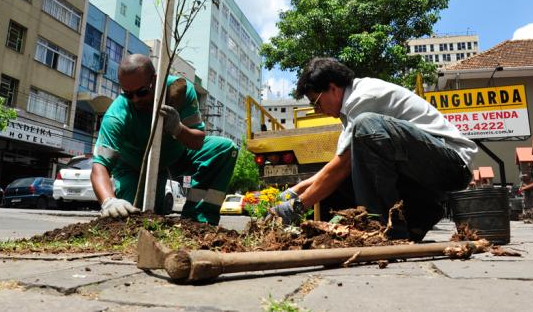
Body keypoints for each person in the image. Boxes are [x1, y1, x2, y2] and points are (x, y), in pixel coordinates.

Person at [272, 57, 476, 241]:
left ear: (333, 88)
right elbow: (335, 168)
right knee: (340, 179)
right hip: (425, 171)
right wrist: (293, 191)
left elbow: (340, 167)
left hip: (452, 164)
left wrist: (296, 207)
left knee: (365, 126)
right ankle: (421, 213)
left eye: (316, 102)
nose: (317, 110)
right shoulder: (348, 111)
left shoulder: (362, 97)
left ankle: (384, 227)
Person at [91, 54, 237, 225]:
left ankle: (198, 220)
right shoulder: (117, 115)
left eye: (142, 92)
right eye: (128, 94)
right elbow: (99, 166)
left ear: (156, 79)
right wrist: (109, 201)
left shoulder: (181, 90)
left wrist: (178, 129)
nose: (136, 99)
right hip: (134, 168)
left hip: (177, 155)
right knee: (134, 219)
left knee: (225, 148)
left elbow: (197, 142)